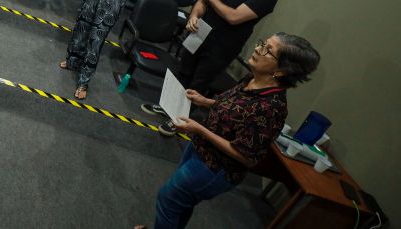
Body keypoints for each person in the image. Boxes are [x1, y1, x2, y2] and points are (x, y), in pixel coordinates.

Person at [134, 33, 320, 229]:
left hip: (214, 168)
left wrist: (200, 129)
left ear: (281, 71)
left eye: (268, 50)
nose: (258, 48)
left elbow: (246, 156)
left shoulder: (271, 108)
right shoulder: (254, 79)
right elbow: (235, 110)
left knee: (168, 199)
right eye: (263, 43)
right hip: (200, 149)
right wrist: (205, 102)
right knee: (181, 203)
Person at [142, 0, 280, 136]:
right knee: (183, 72)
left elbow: (233, 17)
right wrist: (194, 16)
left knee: (199, 82)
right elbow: (201, 2)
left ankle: (179, 120)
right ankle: (167, 106)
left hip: (222, 46)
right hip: (199, 34)